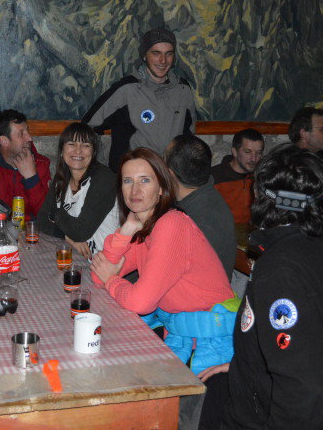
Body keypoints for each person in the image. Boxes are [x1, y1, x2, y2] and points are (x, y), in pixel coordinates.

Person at [198, 144, 323, 430]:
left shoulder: (280, 270)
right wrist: (246, 366)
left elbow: (309, 389)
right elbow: (316, 341)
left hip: (268, 417)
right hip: (322, 406)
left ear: (258, 197)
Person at [90, 147, 235, 375]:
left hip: (211, 340)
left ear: (161, 188)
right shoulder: (145, 227)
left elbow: (140, 302)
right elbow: (98, 275)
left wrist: (112, 280)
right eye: (128, 181)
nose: (135, 190)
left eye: (145, 180)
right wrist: (126, 230)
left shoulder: (171, 224)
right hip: (182, 332)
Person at [82, 27, 196, 172]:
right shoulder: (126, 89)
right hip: (133, 177)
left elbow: (189, 135)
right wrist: (105, 168)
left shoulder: (183, 90)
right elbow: (87, 127)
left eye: (169, 54)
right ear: (144, 55)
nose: (163, 60)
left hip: (169, 177)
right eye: (156, 53)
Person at [37, 123, 119, 259]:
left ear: (93, 152)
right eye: (71, 144)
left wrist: (55, 213)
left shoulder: (104, 178)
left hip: (105, 261)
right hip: (75, 256)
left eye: (86, 145)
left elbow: (80, 232)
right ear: (62, 149)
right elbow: (41, 220)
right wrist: (67, 237)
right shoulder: (61, 178)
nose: (78, 151)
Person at [164, 135, 236, 280]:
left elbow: (166, 274)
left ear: (170, 174)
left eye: (163, 159)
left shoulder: (199, 222)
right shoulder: (200, 196)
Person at [0, 109, 51, 219]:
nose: (29, 138)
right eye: (21, 134)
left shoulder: (42, 163)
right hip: (0, 229)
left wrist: (31, 178)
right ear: (4, 141)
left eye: (28, 131)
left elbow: (46, 216)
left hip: (32, 230)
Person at [211, 128, 265, 224]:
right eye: (248, 152)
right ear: (235, 152)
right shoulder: (214, 177)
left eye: (258, 153)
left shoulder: (263, 176)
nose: (254, 159)